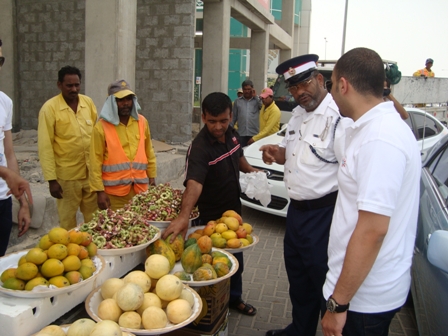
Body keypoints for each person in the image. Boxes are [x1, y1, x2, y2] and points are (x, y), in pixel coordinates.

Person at [321, 47, 420, 336]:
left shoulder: (380, 139)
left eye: (332, 85)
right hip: (359, 293)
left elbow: (372, 230)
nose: (332, 93)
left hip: (362, 302)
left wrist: (338, 305)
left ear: (343, 85)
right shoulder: (373, 128)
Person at [261, 54, 345, 336]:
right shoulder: (298, 115)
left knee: (324, 282)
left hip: (325, 216)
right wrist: (278, 154)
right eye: (293, 88)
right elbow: (292, 153)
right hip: (295, 214)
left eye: (304, 84)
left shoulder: (338, 118)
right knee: (298, 280)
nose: (298, 93)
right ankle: (300, 330)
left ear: (320, 79)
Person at [162, 92, 259, 316]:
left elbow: (238, 155)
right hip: (209, 218)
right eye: (212, 121)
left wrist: (253, 171)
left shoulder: (231, 133)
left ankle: (234, 299)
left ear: (230, 116)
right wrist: (183, 216)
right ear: (203, 117)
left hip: (233, 213)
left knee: (236, 261)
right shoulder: (199, 148)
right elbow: (194, 184)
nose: (218, 127)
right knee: (210, 265)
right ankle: (209, 309)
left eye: (223, 120)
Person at [38, 66, 98, 230]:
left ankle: (93, 251)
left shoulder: (88, 103)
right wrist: (51, 180)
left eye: (77, 85)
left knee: (95, 220)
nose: (74, 89)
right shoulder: (49, 109)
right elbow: (45, 147)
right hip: (67, 178)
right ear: (59, 85)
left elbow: (96, 136)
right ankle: (69, 252)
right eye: (69, 85)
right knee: (67, 222)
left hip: (90, 174)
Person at [90, 80, 157, 211]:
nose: (125, 103)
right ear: (111, 102)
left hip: (139, 190)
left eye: (128, 99)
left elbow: (149, 150)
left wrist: (152, 176)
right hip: (114, 195)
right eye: (120, 100)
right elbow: (94, 161)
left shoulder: (142, 122)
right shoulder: (101, 127)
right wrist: (99, 192)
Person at [0, 39, 31, 256]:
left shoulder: (4, 102)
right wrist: (5, 173)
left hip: (2, 200)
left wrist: (23, 202)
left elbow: (9, 153)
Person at [232, 79, 262, 147]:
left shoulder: (257, 100)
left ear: (252, 89)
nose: (247, 91)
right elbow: (233, 117)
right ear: (242, 89)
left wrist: (256, 97)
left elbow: (262, 107)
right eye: (245, 89)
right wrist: (229, 131)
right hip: (241, 134)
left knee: (253, 153)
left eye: (249, 89)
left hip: (254, 134)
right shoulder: (237, 101)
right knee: (241, 153)